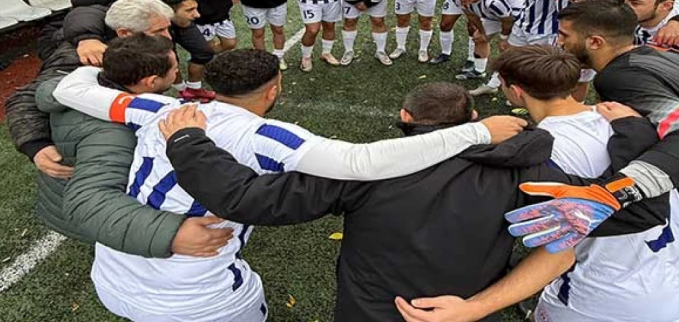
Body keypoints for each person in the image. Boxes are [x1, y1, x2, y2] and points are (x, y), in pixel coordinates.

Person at [50, 49, 530, 322]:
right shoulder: (266, 136)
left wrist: (94, 62)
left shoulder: (155, 109)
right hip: (197, 295)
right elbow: (361, 161)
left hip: (112, 279)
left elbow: (68, 90)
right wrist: (478, 131)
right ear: (274, 89)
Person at [154, 80, 669, 322]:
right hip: (472, 313)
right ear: (473, 120)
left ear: (404, 117)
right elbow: (563, 246)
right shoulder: (531, 164)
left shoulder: (363, 169)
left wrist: (187, 140)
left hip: (371, 314)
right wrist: (475, 308)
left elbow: (246, 198)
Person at [401, 45, 679, 322]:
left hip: (611, 297)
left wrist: (476, 307)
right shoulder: (627, 118)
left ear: (515, 91)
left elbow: (560, 253)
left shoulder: (538, 154)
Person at [504, 0, 679, 254]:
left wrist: (613, 194)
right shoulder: (668, 57)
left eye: (565, 35)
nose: (559, 42)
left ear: (596, 42)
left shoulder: (618, 79)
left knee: (621, 227)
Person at [34, 34, 232, 259]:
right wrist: (169, 233)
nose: (177, 73)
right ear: (150, 82)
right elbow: (87, 202)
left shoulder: (84, 84)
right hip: (98, 219)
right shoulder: (111, 132)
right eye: (174, 69)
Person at [4, 0, 174, 238]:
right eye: (159, 30)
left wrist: (86, 35)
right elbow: (27, 98)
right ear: (125, 33)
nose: (168, 36)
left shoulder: (114, 32)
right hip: (86, 177)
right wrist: (35, 145)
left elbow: (89, 9)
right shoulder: (79, 59)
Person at [443, 0, 523, 81]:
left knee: (507, 47)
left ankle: (512, 76)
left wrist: (503, 38)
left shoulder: (494, 2)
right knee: (478, 38)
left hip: (516, 13)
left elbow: (507, 20)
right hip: (494, 15)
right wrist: (482, 32)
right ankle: (479, 71)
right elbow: (471, 15)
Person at [149, 0, 216, 101]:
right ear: (168, 11)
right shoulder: (151, 25)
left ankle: (194, 89)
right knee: (170, 58)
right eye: (189, 10)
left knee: (204, 51)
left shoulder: (183, 19)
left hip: (180, 24)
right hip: (162, 23)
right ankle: (181, 90)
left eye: (195, 8)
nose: (197, 15)